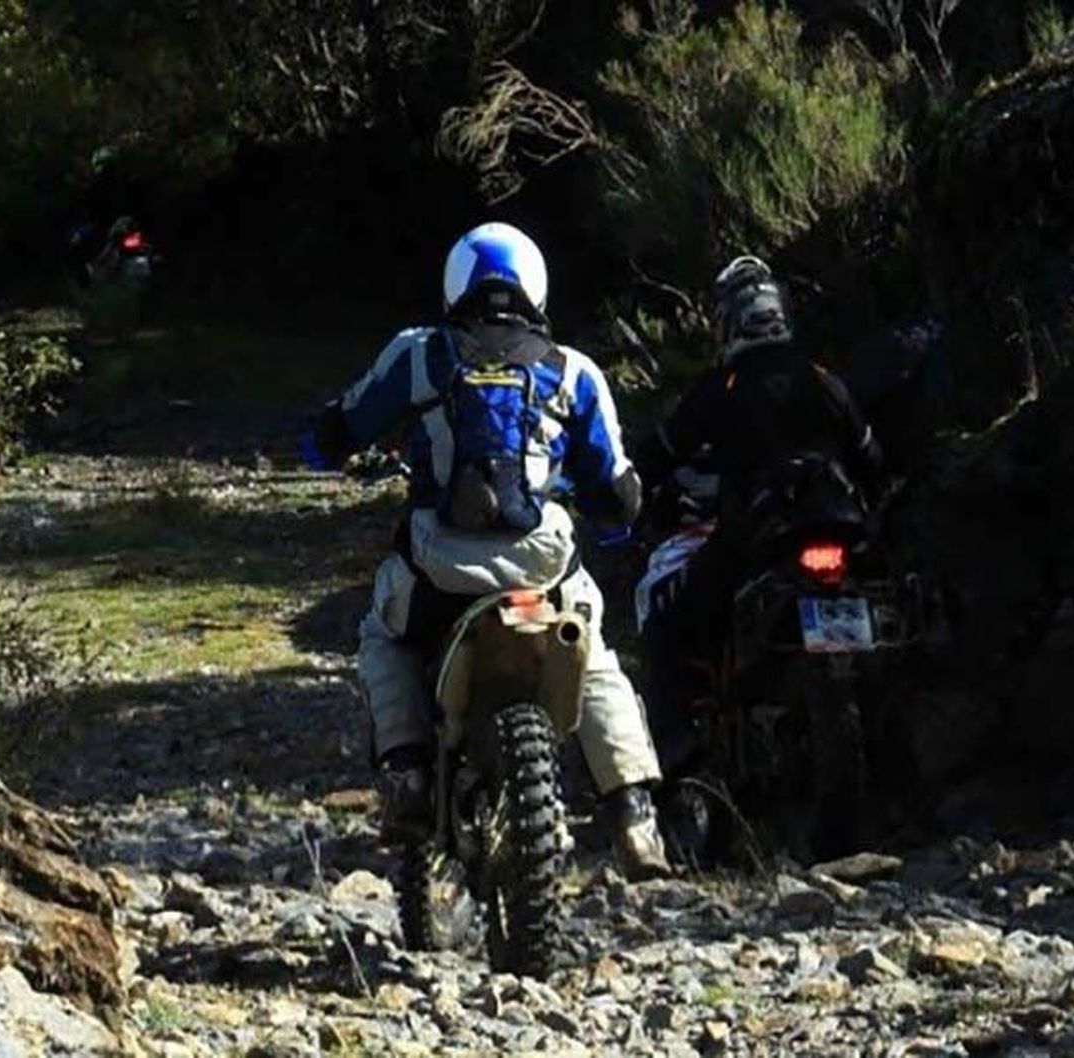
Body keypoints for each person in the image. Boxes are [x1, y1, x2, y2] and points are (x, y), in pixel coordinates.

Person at [300, 222, 671, 880]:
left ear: (455, 281)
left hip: (440, 570)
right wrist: (611, 523)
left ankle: (408, 772)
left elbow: (341, 427)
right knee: (593, 656)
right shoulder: (573, 371)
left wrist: (322, 442)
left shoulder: (420, 354)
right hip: (540, 567)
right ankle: (633, 810)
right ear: (536, 286)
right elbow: (618, 491)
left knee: (382, 636)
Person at [632, 255, 884, 794]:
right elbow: (870, 457)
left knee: (668, 627)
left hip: (757, 534)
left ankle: (678, 751)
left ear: (727, 323)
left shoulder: (722, 386)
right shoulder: (821, 378)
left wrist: (627, 490)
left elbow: (658, 454)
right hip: (843, 525)